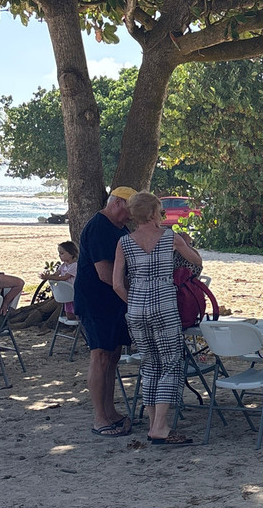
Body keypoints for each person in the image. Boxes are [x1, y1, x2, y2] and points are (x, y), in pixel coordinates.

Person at [112, 191, 203, 446]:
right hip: (163, 307)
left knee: (150, 364)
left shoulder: (124, 242)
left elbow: (117, 284)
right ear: (154, 213)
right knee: (171, 363)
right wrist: (184, 246)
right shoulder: (169, 237)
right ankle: (161, 426)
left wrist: (134, 302)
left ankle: (153, 425)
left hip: (136, 310)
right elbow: (197, 262)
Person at [75, 186, 135, 437]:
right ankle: (100, 418)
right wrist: (133, 292)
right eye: (131, 209)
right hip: (96, 301)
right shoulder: (99, 226)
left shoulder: (121, 228)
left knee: (113, 357)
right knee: (100, 356)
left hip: (115, 302)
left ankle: (110, 411)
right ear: (118, 203)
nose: (132, 215)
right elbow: (105, 273)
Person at [40, 241, 78, 320]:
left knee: (76, 311)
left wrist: (49, 277)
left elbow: (65, 277)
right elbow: (56, 274)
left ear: (71, 254)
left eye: (62, 253)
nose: (59, 256)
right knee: (69, 315)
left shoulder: (74, 266)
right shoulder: (62, 266)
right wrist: (47, 276)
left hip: (74, 292)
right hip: (66, 293)